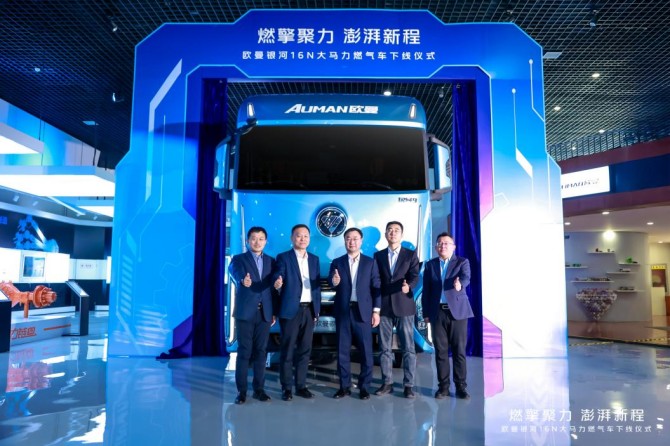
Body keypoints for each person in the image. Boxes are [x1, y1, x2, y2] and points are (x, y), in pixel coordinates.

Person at [328, 227, 381, 400]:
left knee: (366, 351)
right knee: (342, 350)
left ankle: (364, 387)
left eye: (355, 238)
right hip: (343, 311)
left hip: (363, 311)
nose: (352, 242)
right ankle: (344, 387)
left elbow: (376, 288)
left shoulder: (370, 262)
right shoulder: (337, 262)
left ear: (361, 241)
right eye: (348, 239)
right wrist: (334, 281)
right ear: (344, 241)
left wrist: (376, 311)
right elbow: (331, 281)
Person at [422, 232, 474, 399]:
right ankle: (443, 387)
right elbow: (427, 291)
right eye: (440, 243)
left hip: (457, 313)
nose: (442, 246)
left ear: (453, 247)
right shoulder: (430, 265)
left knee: (459, 351)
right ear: (436, 247)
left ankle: (460, 387)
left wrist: (460, 284)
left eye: (446, 243)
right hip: (437, 313)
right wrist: (426, 313)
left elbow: (466, 277)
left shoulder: (462, 262)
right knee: (441, 351)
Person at [228, 227, 276, 404]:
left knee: (261, 352)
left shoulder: (271, 261)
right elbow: (234, 271)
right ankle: (241, 392)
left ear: (266, 241)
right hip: (245, 313)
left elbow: (272, 290)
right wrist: (243, 280)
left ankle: (259, 389)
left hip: (265, 313)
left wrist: (273, 312)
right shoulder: (239, 259)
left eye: (261, 239)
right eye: (254, 238)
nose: (257, 242)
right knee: (244, 352)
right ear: (248, 241)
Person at [273, 224, 321, 401]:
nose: (302, 239)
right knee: (287, 350)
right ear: (292, 238)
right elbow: (278, 274)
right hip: (291, 310)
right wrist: (277, 282)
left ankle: (301, 386)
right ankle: (286, 388)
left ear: (309, 239)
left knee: (305, 350)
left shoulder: (314, 259)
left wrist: (317, 310)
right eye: (299, 236)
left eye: (306, 236)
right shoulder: (283, 257)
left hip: (309, 310)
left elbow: (316, 287)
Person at [373, 221, 420, 398]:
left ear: (402, 234)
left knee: (408, 347)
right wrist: (376, 308)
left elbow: (414, 275)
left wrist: (410, 286)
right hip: (384, 306)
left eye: (396, 230)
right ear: (386, 234)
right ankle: (387, 383)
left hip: (404, 305)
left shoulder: (410, 254)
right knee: (384, 348)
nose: (393, 233)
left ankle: (409, 385)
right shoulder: (378, 256)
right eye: (390, 230)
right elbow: (376, 280)